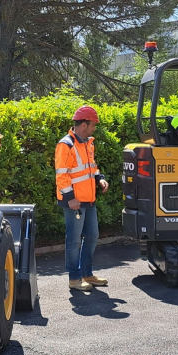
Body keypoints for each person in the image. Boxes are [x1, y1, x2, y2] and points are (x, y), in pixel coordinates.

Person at [55, 106, 109, 291]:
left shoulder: (88, 143)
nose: (94, 128)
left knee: (92, 236)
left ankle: (87, 274)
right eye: (93, 125)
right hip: (74, 201)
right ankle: (75, 278)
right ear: (84, 124)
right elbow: (61, 174)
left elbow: (92, 167)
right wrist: (70, 197)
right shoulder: (66, 144)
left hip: (88, 199)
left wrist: (100, 178)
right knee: (74, 240)